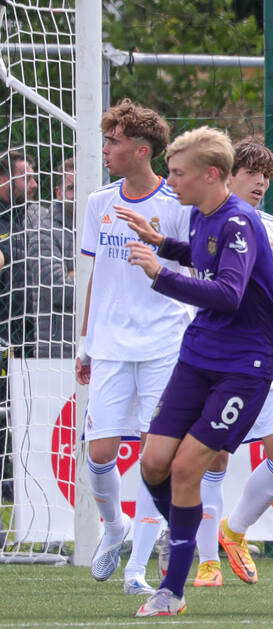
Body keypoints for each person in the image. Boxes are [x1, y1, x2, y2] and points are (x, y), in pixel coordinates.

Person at [120, 126, 273, 617]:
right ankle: (185, 528)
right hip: (201, 354)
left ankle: (171, 591)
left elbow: (229, 294)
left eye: (178, 173)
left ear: (211, 175)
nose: (170, 181)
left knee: (186, 468)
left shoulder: (238, 222)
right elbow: (202, 256)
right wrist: (165, 244)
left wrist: (159, 273)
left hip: (245, 364)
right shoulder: (201, 213)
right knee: (153, 463)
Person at [75, 101, 195, 593]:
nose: (105, 149)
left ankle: (137, 570)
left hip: (165, 341)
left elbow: (191, 272)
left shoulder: (176, 205)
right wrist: (85, 344)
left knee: (155, 456)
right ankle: (113, 528)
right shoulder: (98, 203)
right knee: (99, 450)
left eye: (114, 141)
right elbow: (95, 278)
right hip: (109, 345)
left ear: (140, 151)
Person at [194, 137, 273, 587]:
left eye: (266, 174)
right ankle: (207, 561)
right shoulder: (202, 221)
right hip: (217, 358)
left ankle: (234, 531)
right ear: (226, 173)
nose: (260, 181)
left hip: (268, 358)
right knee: (215, 458)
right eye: (251, 172)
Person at [31, 158, 75, 358]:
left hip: (103, 345)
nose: (79, 194)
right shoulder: (44, 232)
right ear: (59, 193)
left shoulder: (106, 226)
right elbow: (59, 290)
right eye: (72, 188)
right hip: (58, 351)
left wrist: (74, 273)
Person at [0, 151, 41, 354]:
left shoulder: (34, 216)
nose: (34, 185)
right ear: (4, 180)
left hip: (28, 330)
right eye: (27, 178)